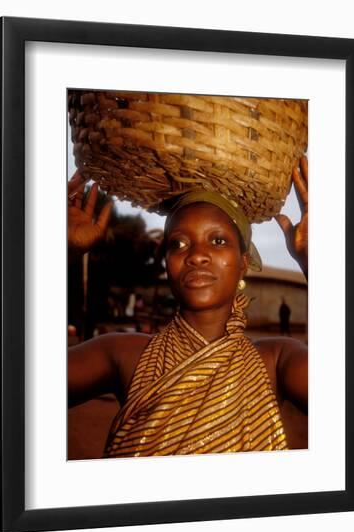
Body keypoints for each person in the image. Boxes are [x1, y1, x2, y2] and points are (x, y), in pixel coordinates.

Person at [67, 157, 309, 455]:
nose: (197, 255)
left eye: (218, 241)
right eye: (179, 244)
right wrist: (57, 251)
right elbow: (18, 385)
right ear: (166, 261)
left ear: (243, 262)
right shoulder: (122, 354)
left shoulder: (277, 361)